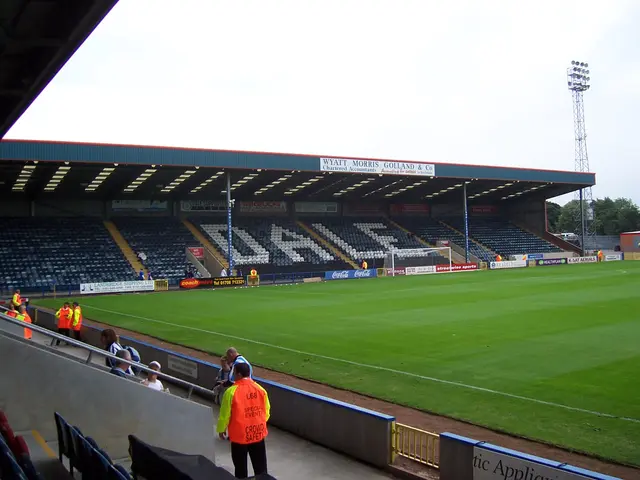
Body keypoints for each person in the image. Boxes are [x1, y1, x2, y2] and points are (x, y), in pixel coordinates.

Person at [217, 363, 270, 479]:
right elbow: (266, 411)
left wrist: (221, 429)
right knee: (261, 469)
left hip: (239, 436)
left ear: (239, 374)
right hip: (258, 434)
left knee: (240, 470)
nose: (233, 375)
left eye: (234, 372)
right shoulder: (260, 389)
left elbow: (225, 414)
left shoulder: (231, 392)